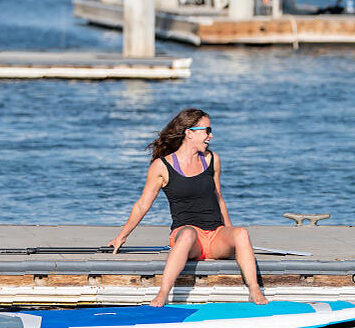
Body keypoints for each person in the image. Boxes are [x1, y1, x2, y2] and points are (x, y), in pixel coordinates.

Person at [107, 109, 269, 307]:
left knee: (241, 233)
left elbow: (218, 197)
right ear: (189, 132)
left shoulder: (212, 159)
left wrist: (232, 235)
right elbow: (143, 204)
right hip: (188, 239)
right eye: (207, 130)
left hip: (215, 236)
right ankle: (163, 294)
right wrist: (122, 236)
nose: (211, 135)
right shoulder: (162, 166)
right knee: (188, 234)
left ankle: (254, 290)